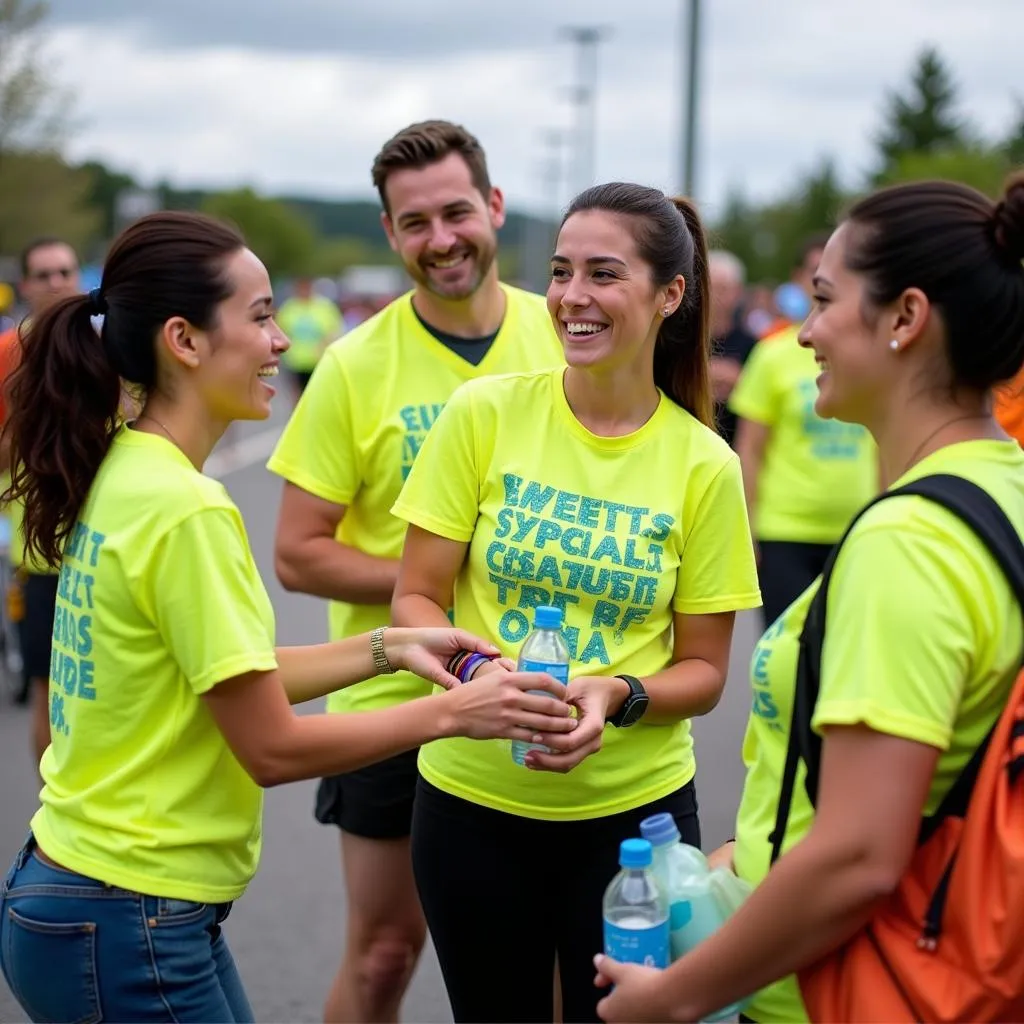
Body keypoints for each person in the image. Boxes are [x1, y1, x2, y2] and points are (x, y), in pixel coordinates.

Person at [0, 210, 577, 1024]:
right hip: (127, 912)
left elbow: (229, 678)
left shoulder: (129, 468)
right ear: (185, 340)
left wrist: (390, 646)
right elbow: (270, 745)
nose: (281, 342)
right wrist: (455, 712)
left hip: (101, 897)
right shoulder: (186, 510)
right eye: (261, 315)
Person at [591, 175, 1024, 1023]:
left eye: (825, 300)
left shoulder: (910, 544)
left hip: (837, 991)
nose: (807, 331)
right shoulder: (1004, 484)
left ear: (905, 318)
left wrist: (675, 998)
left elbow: (858, 852)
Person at [390, 181, 761, 1024]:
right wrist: (487, 673)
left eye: (603, 274)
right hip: (469, 804)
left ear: (670, 294)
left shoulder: (705, 463)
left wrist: (618, 696)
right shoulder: (484, 412)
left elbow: (703, 672)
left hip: (633, 827)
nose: (571, 298)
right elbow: (414, 597)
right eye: (561, 272)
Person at [268, 119, 563, 1024]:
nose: (441, 240)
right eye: (415, 223)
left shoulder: (565, 336)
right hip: (395, 702)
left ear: (495, 207)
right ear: (391, 236)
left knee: (553, 963)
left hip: (543, 685)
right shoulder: (356, 366)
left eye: (456, 212)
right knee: (387, 953)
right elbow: (297, 550)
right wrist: (433, 571)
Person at [730, 319, 877, 627]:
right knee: (787, 659)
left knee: (845, 654)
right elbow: (750, 450)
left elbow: (886, 445)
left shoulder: (872, 353)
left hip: (857, 532)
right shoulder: (772, 354)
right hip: (784, 532)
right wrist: (747, 532)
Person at [0, 239, 81, 761]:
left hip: (106, 546)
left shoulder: (104, 346)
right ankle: (51, 823)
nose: (55, 281)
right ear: (26, 284)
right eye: (43, 273)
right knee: (47, 693)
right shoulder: (8, 353)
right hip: (40, 554)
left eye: (64, 271)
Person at [708, 249, 757, 447]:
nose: (716, 297)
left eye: (723, 289)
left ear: (738, 293)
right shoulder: (679, 342)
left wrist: (739, 380)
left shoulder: (753, 345)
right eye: (710, 287)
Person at [276, 277, 344, 398]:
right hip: (295, 361)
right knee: (297, 395)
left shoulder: (324, 307)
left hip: (318, 360)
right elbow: (280, 330)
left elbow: (334, 330)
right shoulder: (289, 308)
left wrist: (324, 345)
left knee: (317, 394)